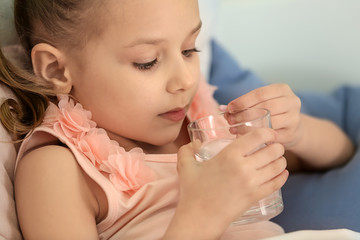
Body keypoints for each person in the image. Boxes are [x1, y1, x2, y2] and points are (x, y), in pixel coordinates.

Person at [0, 0, 354, 239]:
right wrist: (203, 214)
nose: (185, 80)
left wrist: (299, 131)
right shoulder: (59, 168)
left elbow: (341, 154)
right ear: (57, 69)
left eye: (190, 49)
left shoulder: (203, 122)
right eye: (147, 61)